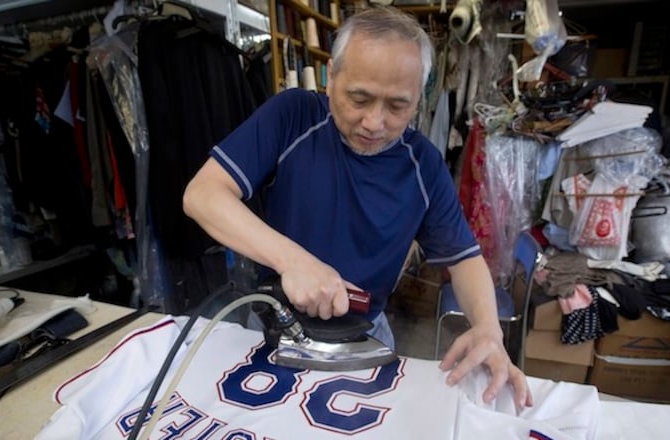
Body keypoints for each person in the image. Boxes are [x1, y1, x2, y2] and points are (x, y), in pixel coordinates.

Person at [182, 6, 532, 409]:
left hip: (366, 334)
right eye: (359, 98)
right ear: (332, 77)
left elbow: (465, 259)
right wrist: (293, 261)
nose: (373, 122)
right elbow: (203, 194)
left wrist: (489, 328)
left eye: (397, 106)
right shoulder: (293, 116)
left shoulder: (424, 166)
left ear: (419, 97)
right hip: (270, 322)